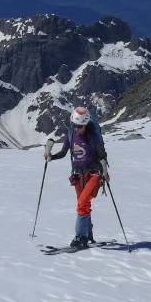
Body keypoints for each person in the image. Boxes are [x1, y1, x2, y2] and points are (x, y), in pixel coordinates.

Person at [43, 106, 108, 248]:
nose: (77, 129)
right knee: (83, 203)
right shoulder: (71, 135)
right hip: (78, 175)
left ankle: (80, 236)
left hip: (94, 173)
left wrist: (105, 173)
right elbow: (64, 152)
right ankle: (87, 232)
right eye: (74, 126)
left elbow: (102, 156)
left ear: (85, 124)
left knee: (82, 202)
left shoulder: (94, 137)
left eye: (80, 127)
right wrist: (51, 157)